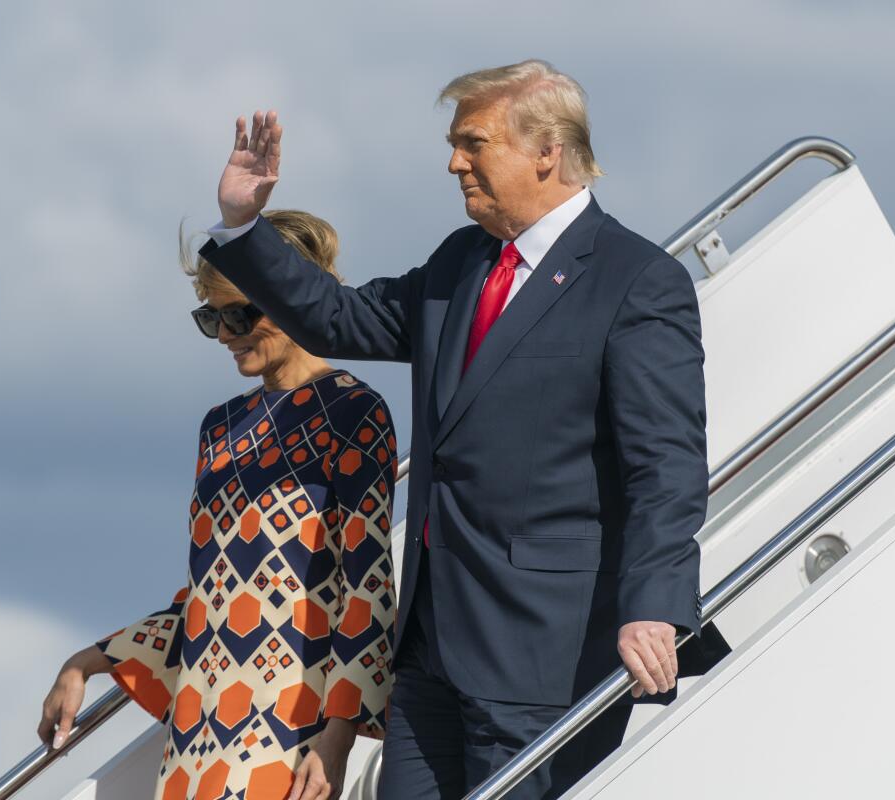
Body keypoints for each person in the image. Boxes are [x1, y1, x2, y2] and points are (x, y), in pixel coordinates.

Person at [200, 60, 729, 799]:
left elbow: (666, 466)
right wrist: (244, 226)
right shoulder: (460, 261)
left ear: (548, 149)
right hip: (430, 652)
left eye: (473, 143)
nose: (454, 162)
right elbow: (339, 317)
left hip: (544, 654)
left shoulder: (637, 281)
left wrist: (655, 607)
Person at [38, 210, 398, 800]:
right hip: (198, 733)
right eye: (211, 318)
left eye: (238, 313)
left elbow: (367, 588)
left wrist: (339, 733)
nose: (226, 334)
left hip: (293, 724)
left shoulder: (354, 411)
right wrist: (86, 661)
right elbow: (210, 598)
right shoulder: (220, 428)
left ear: (295, 295)